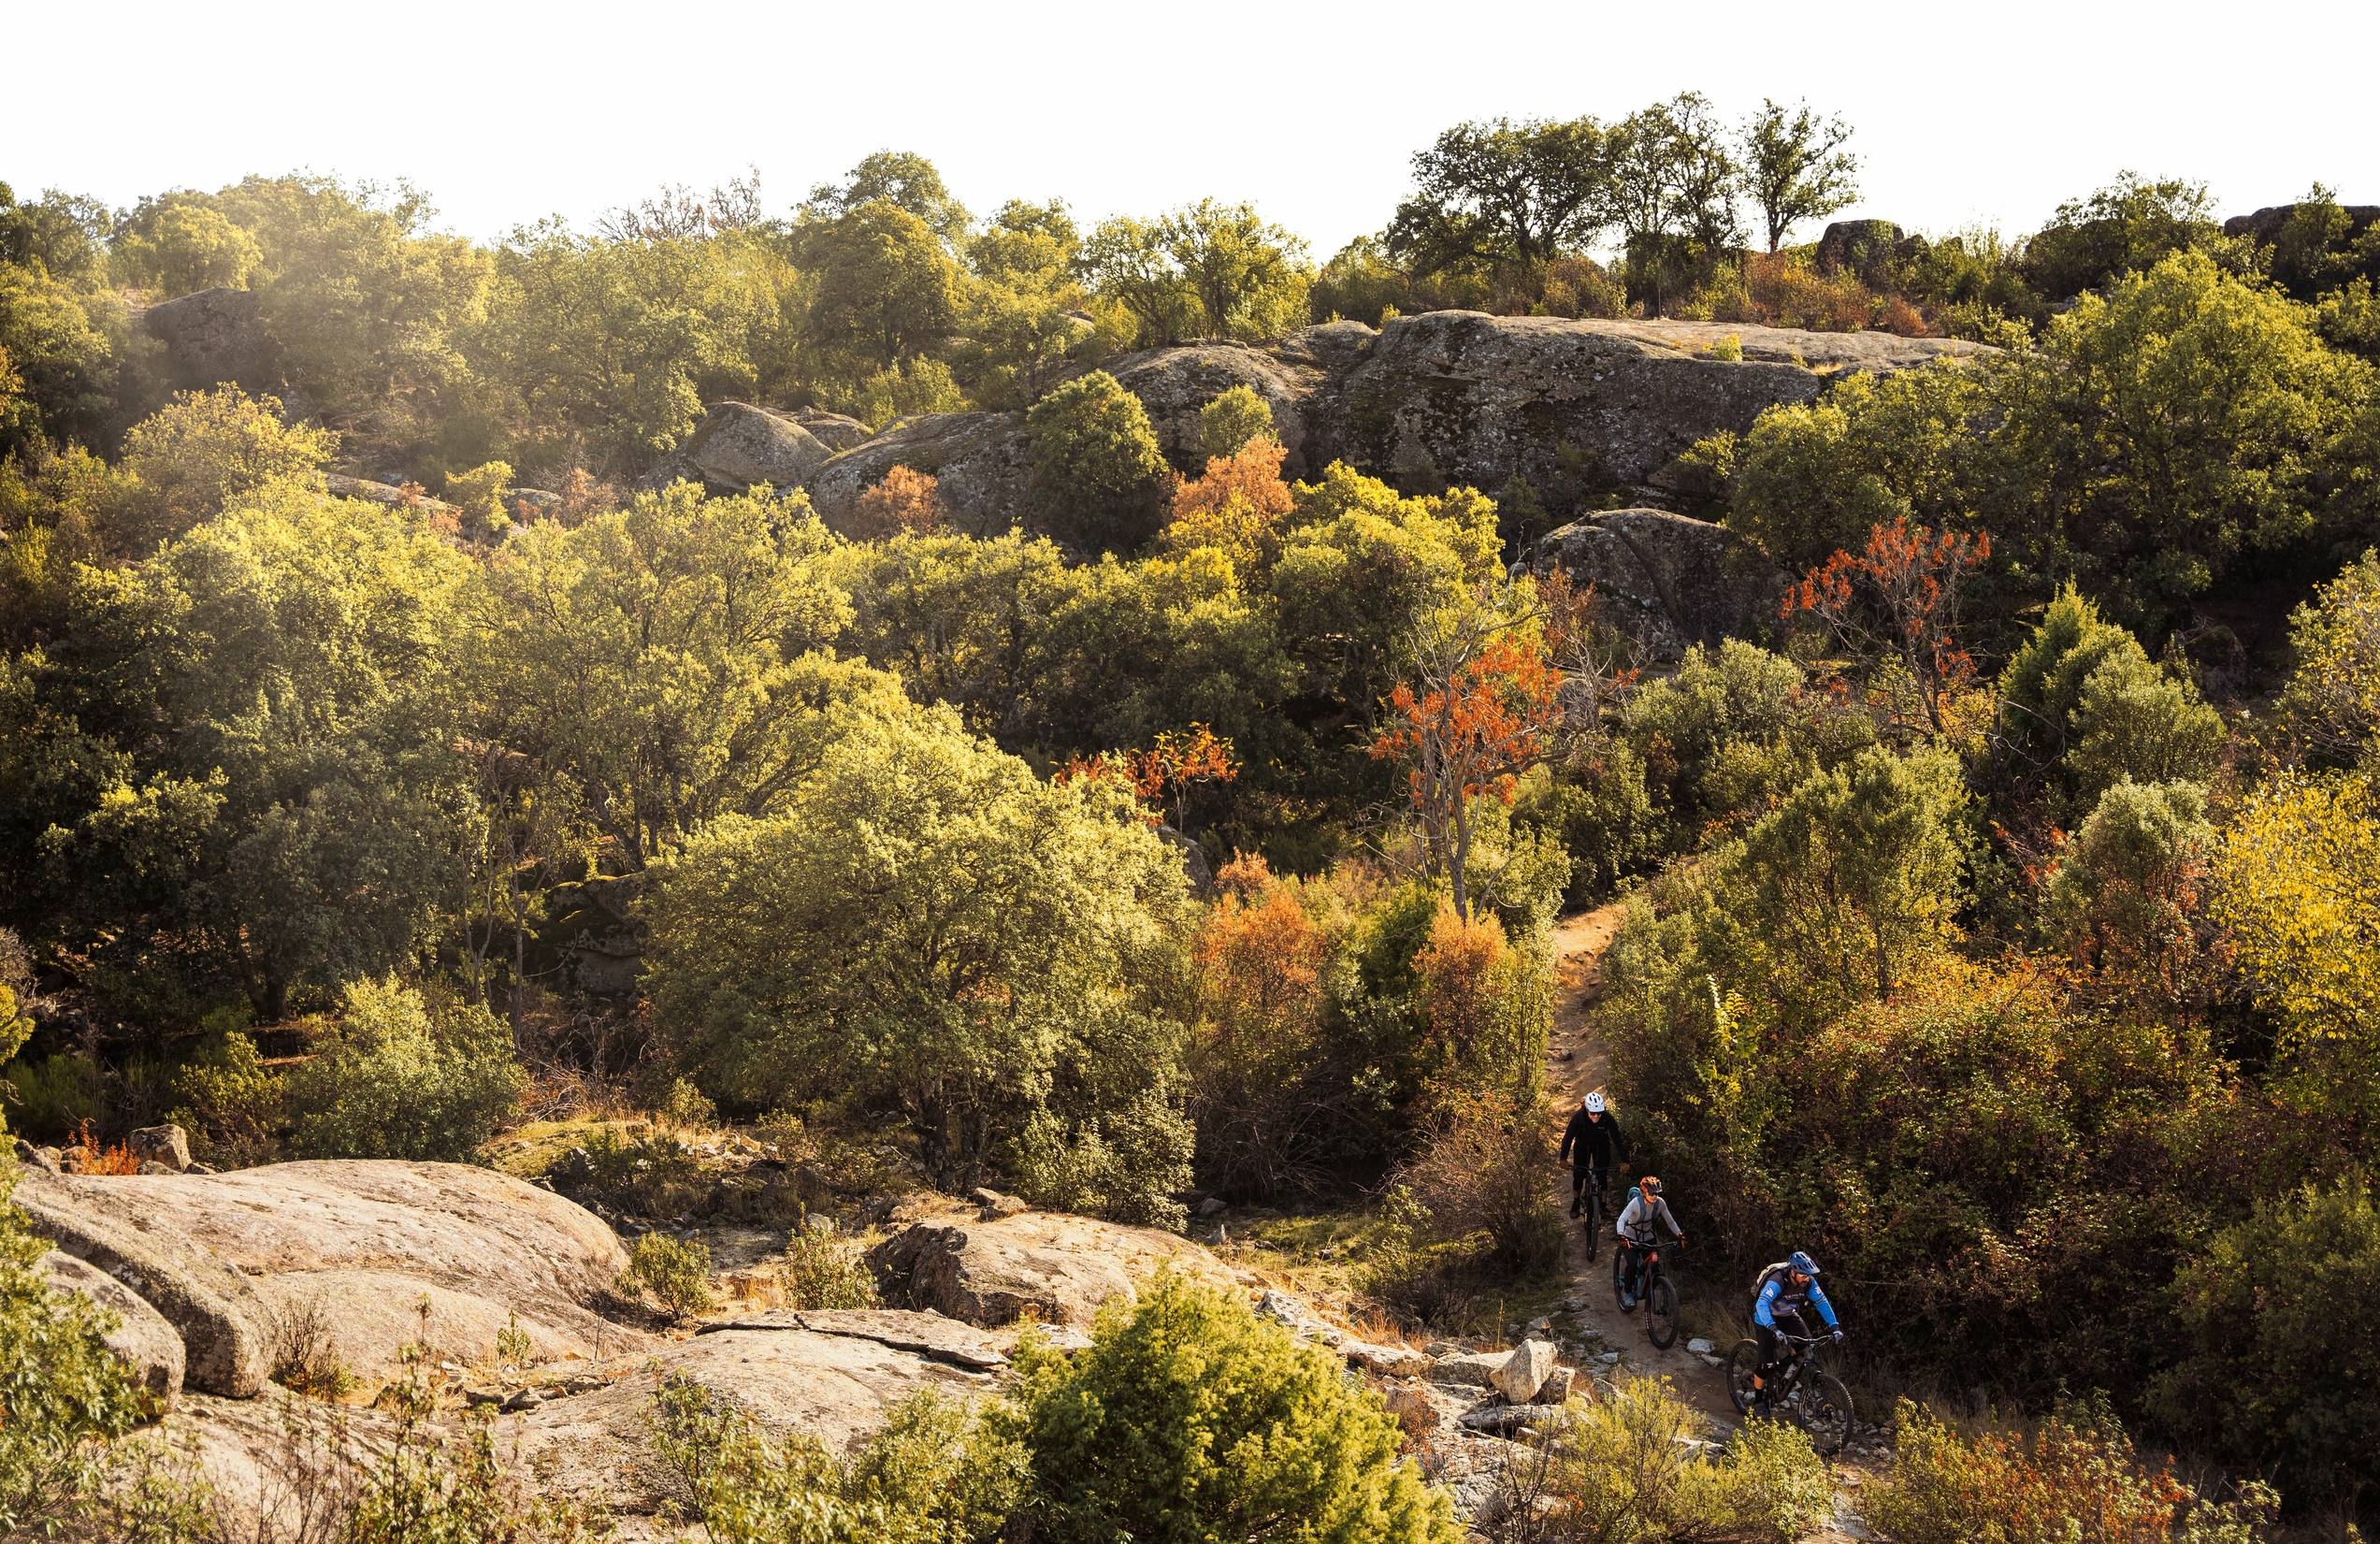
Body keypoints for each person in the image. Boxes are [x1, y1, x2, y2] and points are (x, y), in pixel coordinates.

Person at [1750, 1250, 1840, 1401]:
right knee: (1765, 1363)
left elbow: (1822, 1302)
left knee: (1805, 1345)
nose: (1807, 1278)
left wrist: (1834, 1326)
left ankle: (1785, 1374)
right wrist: (1772, 1327)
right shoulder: (1778, 1280)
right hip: (1765, 1319)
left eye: (1809, 1275)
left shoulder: (1809, 1282)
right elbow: (1762, 1303)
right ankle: (1758, 1401)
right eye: (1803, 1275)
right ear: (1792, 1272)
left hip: (1788, 1315)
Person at [1557, 1091, 1627, 1221]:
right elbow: (1567, 1138)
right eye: (1592, 1113)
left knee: (1602, 1175)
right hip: (1582, 1146)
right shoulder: (1579, 1117)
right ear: (1587, 1110)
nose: (1596, 1116)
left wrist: (1625, 1161)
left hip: (1601, 1146)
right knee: (1578, 1175)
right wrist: (1563, 1158)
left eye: (1598, 1113)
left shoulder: (1607, 1117)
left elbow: (1617, 1138)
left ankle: (1603, 1206)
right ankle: (1576, 1202)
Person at [1613, 1175, 1682, 1299]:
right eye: (1651, 1193)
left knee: (1655, 1266)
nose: (1655, 1196)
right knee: (1632, 1263)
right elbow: (1621, 1220)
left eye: (1656, 1193)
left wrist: (1680, 1235)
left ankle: (1646, 1290)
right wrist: (1621, 1235)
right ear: (1644, 1193)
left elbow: (1671, 1222)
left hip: (1647, 1237)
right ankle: (1628, 1292)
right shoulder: (1635, 1203)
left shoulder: (1660, 1203)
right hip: (1630, 1237)